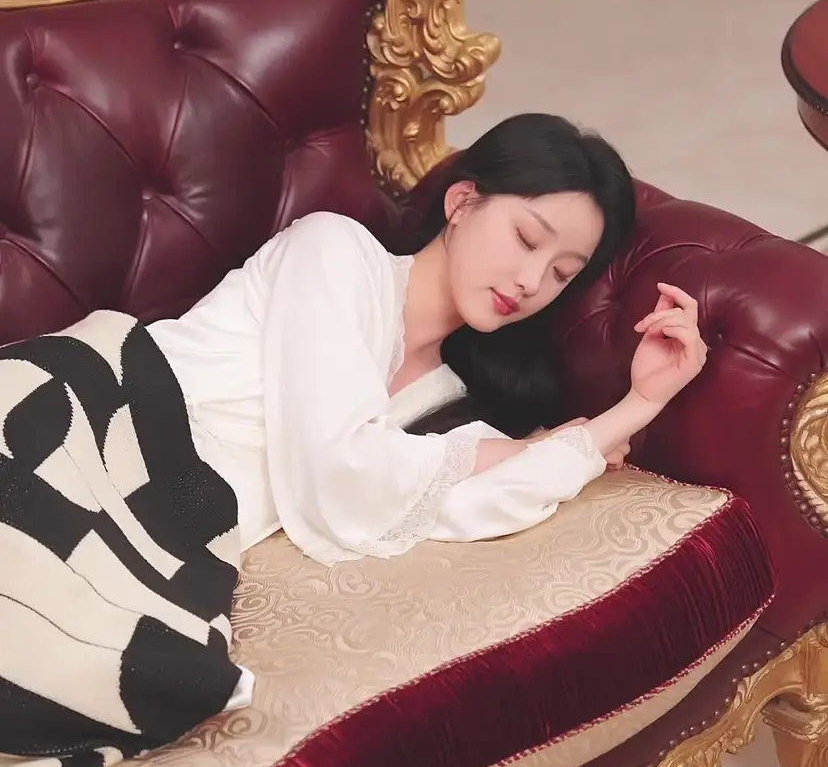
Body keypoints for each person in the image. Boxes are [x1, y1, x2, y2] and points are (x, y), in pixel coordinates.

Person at [149, 113, 708, 566]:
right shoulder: (334, 251)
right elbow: (339, 470)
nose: (531, 281)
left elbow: (475, 506)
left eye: (563, 273)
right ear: (461, 203)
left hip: (166, 534)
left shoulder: (451, 405)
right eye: (525, 238)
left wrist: (641, 402)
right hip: (114, 422)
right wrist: (526, 450)